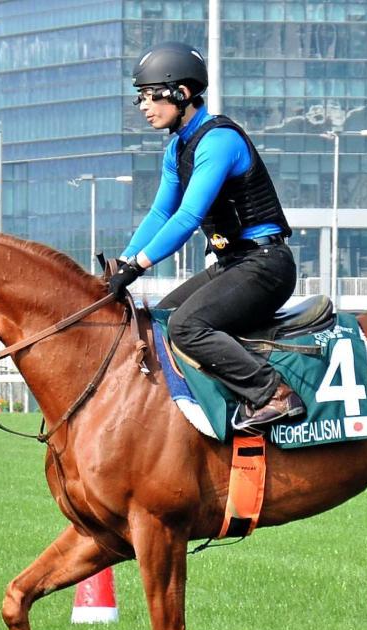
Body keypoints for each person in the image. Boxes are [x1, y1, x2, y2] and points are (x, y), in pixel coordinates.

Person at [109, 41, 305, 431]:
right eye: (140, 98)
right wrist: (122, 261)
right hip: (233, 265)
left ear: (182, 94)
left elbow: (187, 217)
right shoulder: (176, 149)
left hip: (266, 266)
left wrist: (139, 266)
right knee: (161, 321)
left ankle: (274, 394)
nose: (144, 106)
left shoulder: (219, 141)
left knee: (186, 327)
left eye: (151, 96)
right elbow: (160, 212)